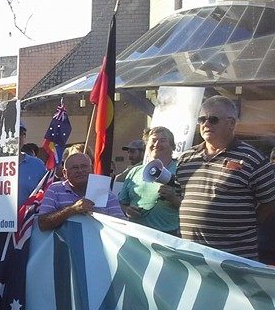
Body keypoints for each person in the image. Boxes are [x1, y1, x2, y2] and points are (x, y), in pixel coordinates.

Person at [169, 96, 275, 260]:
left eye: (213, 119)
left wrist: (241, 226)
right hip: (192, 255)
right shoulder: (185, 159)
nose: (206, 124)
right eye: (202, 119)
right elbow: (182, 196)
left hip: (234, 258)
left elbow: (269, 202)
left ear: (231, 123)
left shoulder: (253, 159)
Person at [37, 152, 126, 231]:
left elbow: (123, 225)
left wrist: (103, 218)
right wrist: (72, 209)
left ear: (91, 168)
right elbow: (42, 223)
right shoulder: (55, 190)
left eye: (84, 166)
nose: (80, 170)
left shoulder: (103, 191)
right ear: (65, 173)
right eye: (74, 168)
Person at [118, 126, 180, 235]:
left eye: (162, 140)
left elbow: (193, 207)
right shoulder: (134, 171)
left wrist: (173, 198)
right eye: (153, 140)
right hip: (136, 235)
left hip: (168, 236)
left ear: (173, 146)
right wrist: (127, 210)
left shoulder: (182, 170)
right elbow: (121, 203)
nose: (156, 144)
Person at [17, 124, 47, 203]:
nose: (17, 137)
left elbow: (45, 194)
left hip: (29, 215)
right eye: (13, 132)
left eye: (21, 134)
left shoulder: (37, 165)